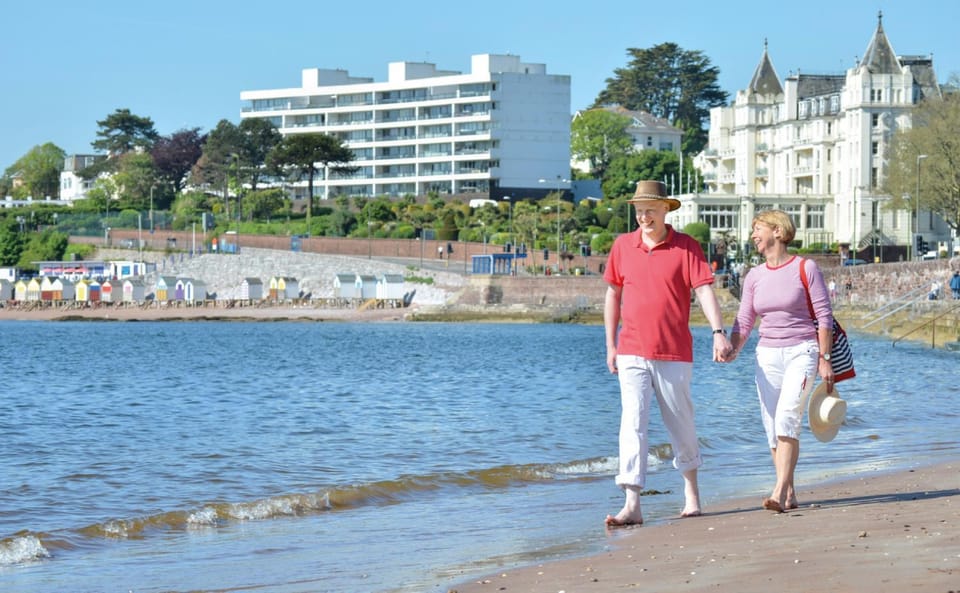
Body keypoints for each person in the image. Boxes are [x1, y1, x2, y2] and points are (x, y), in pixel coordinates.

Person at [603, 180, 732, 526]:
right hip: (631, 350)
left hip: (674, 352)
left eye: (650, 210)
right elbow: (612, 295)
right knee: (632, 424)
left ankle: (691, 494)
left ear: (665, 210)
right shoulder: (622, 246)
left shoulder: (686, 247)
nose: (644, 216)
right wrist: (611, 345)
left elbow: (704, 291)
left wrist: (718, 333)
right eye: (639, 210)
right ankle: (632, 502)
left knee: (681, 422)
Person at [721, 209, 835, 513]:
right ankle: (791, 493)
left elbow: (824, 317)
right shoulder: (754, 275)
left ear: (778, 231)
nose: (753, 235)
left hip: (802, 351)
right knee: (773, 427)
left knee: (787, 418)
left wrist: (825, 359)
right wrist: (732, 347)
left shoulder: (805, 267)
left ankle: (779, 490)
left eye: (758, 229)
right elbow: (745, 319)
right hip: (767, 354)